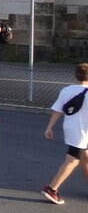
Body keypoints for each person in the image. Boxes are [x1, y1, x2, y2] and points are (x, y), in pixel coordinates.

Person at [41, 63, 88, 205]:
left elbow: (57, 110)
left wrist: (49, 127)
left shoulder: (66, 90)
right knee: (72, 160)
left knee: (85, 157)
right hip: (82, 131)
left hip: (71, 128)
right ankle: (52, 189)